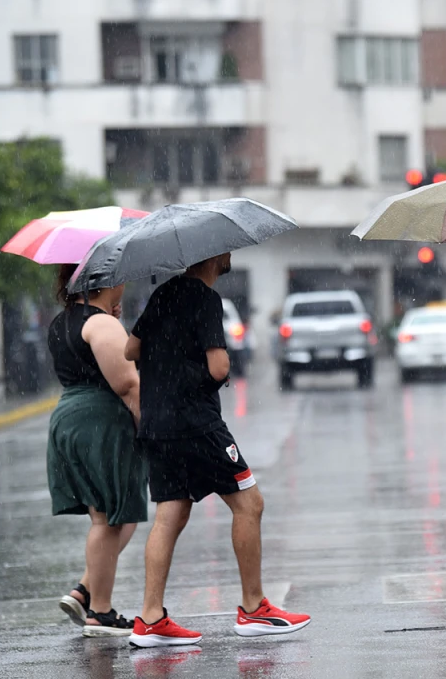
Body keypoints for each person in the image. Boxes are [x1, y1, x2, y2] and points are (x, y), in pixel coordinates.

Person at [124, 253, 310, 648]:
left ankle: (150, 617)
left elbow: (131, 349)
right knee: (250, 503)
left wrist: (169, 362)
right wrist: (193, 369)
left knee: (170, 513)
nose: (231, 255)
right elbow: (220, 367)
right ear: (216, 256)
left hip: (157, 424)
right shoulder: (206, 299)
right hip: (197, 424)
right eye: (227, 251)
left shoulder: (163, 293)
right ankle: (254, 608)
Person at [47, 265, 147, 637]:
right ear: (110, 282)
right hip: (99, 420)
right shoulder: (100, 325)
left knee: (120, 513)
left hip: (70, 415)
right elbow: (127, 384)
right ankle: (101, 612)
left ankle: (87, 589)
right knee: (106, 517)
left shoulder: (64, 321)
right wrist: (147, 430)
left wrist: (108, 317)